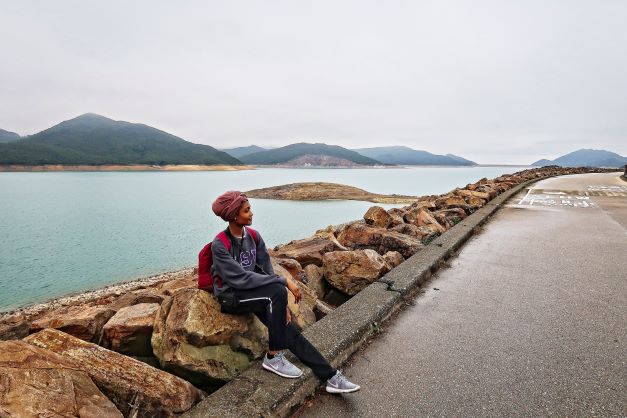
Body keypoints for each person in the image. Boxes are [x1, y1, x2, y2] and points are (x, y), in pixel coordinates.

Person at [210, 190, 360, 394]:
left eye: (250, 209)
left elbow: (265, 271)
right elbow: (241, 279)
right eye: (246, 211)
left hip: (255, 293)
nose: (251, 213)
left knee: (290, 332)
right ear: (234, 215)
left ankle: (331, 376)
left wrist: (281, 306)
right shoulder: (220, 244)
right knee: (279, 290)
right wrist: (284, 281)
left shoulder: (253, 236)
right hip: (232, 296)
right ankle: (272, 357)